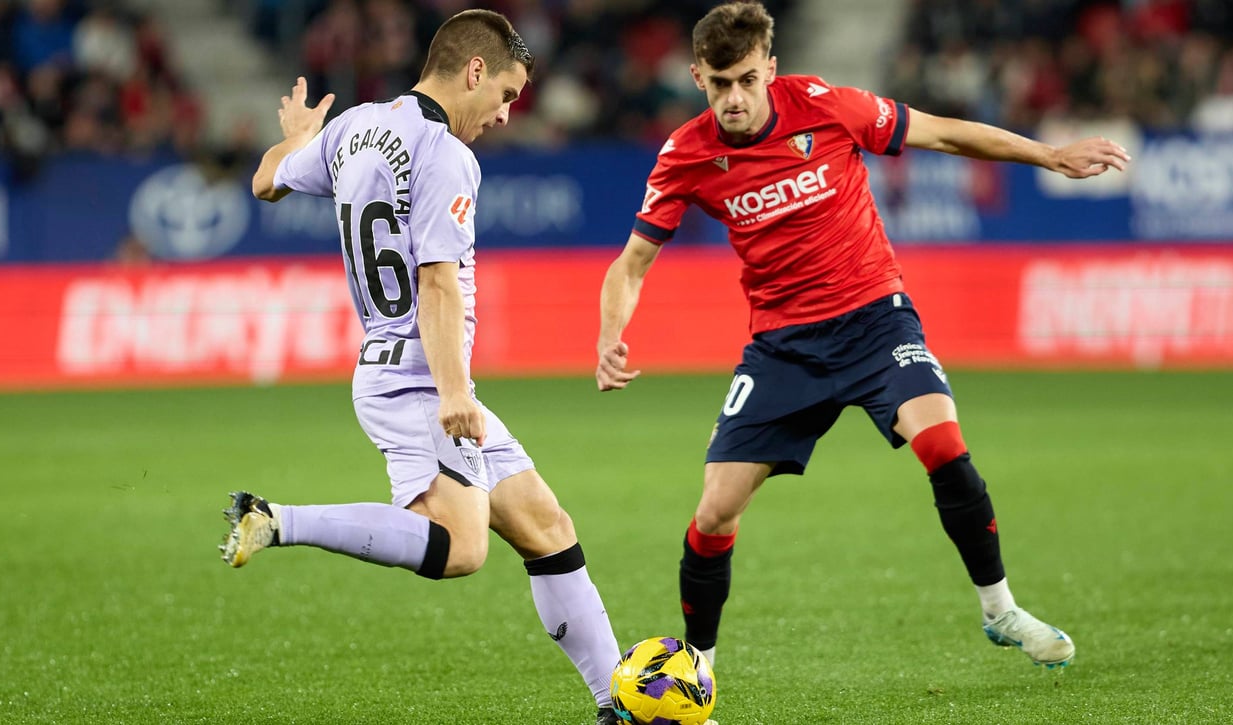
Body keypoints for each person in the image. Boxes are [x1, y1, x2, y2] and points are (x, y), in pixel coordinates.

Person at [597, 0, 1131, 672]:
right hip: (783, 348)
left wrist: (1049, 155)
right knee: (713, 514)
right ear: (697, 76)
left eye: (747, 80)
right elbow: (632, 262)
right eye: (719, 83)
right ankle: (697, 667)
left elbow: (943, 134)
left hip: (876, 319)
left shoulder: (828, 106)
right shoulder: (687, 154)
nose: (735, 97)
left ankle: (1001, 610)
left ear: (770, 68)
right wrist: (609, 334)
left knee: (943, 444)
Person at [224, 10, 624, 724]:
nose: (504, 116)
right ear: (474, 70)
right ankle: (278, 518)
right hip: (421, 377)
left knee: (546, 525)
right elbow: (437, 281)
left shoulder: (352, 128)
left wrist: (296, 140)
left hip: (390, 362)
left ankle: (614, 704)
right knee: (461, 548)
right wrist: (455, 391)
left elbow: (264, 183)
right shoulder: (444, 153)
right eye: (504, 94)